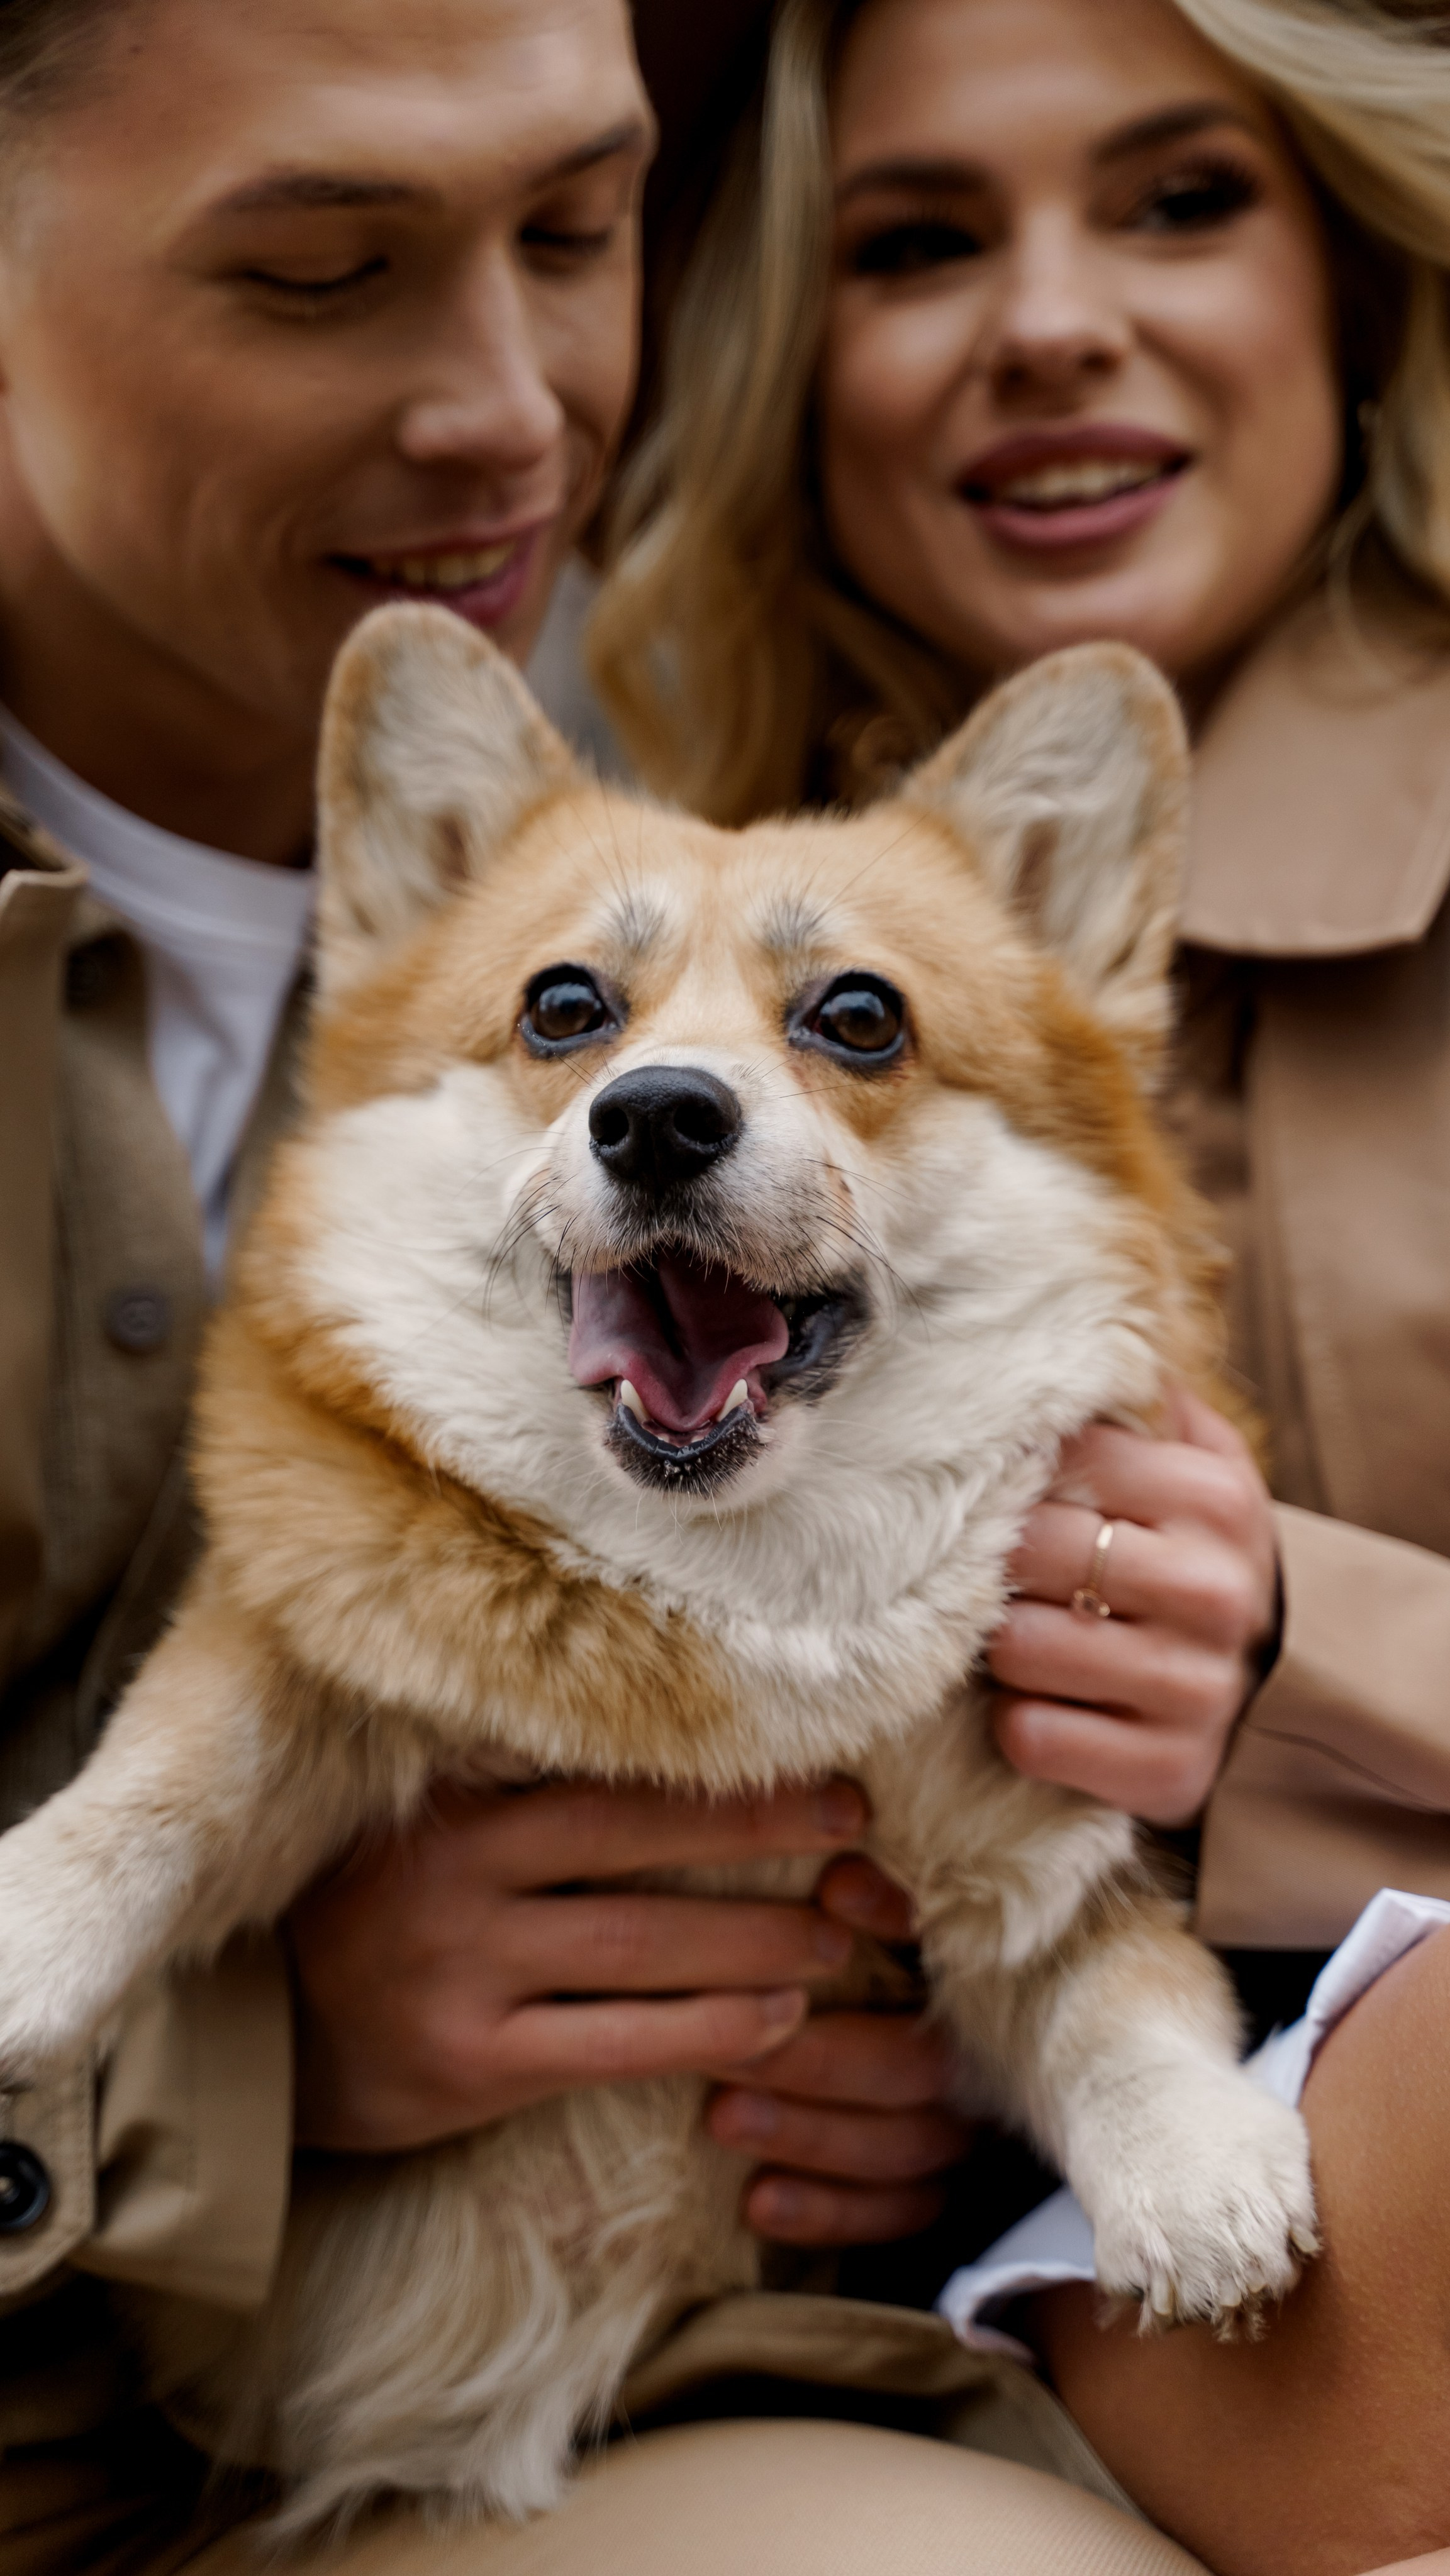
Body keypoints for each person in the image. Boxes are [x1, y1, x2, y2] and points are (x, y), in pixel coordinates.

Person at [0, 3, 1233, 2573]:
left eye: (578, 232)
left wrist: (1210, 1658)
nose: (509, 408)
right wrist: (241, 2067)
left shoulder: (657, 786)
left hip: (674, 2389)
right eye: (324, 266)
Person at [586, 0, 1450, 2567]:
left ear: (1353, 283)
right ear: (778, 360)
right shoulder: (587, 984)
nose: (1050, 319)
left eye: (1179, 201)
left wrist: (1296, 1642)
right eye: (919, 241)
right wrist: (815, 2033)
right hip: (940, 2272)